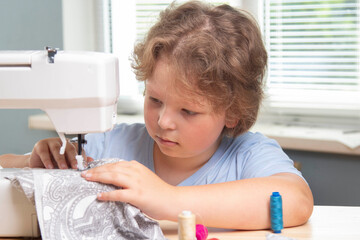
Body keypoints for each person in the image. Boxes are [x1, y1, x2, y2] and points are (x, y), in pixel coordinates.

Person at [0, 0, 313, 230]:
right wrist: (33, 161)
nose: (163, 121)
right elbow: (5, 164)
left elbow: (297, 200)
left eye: (188, 111)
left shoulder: (247, 156)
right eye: (154, 99)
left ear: (231, 113)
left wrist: (167, 199)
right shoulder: (110, 146)